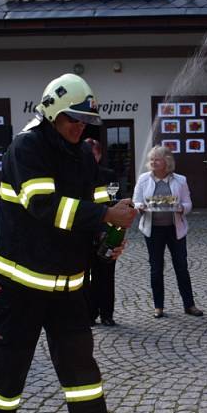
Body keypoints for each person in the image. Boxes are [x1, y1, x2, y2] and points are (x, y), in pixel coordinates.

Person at [0, 73, 138, 413]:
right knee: (8, 372)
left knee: (82, 369)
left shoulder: (83, 153)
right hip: (19, 287)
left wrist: (109, 238)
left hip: (67, 288)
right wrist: (103, 214)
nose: (80, 126)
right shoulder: (26, 148)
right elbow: (44, 206)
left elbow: (96, 202)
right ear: (51, 111)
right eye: (73, 119)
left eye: (85, 121)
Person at [133, 145, 203, 319]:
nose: (153, 162)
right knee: (156, 268)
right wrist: (140, 206)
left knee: (181, 267)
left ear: (167, 162)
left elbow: (188, 204)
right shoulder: (143, 179)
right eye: (151, 159)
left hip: (175, 229)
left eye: (157, 159)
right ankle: (158, 306)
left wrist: (180, 208)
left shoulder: (180, 180)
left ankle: (189, 305)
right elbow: (136, 201)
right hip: (153, 230)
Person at [84, 137, 118, 326]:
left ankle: (107, 314)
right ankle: (90, 314)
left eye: (93, 155)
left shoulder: (109, 175)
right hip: (84, 233)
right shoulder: (76, 176)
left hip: (105, 232)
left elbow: (114, 203)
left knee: (106, 275)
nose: (90, 159)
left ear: (99, 155)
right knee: (87, 276)